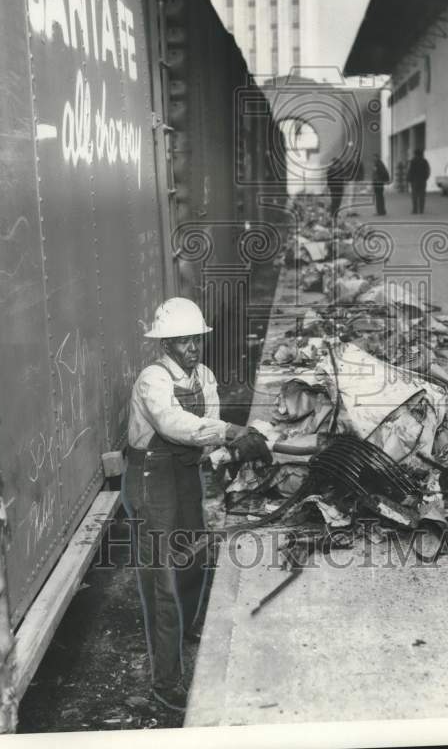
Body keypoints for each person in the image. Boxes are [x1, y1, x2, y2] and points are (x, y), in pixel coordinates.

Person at [122, 297, 263, 711]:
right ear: (166, 344)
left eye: (195, 339)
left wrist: (231, 453)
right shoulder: (153, 379)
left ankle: (184, 629)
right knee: (160, 579)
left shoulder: (203, 375)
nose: (191, 347)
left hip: (184, 474)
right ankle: (166, 683)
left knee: (194, 557)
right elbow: (173, 424)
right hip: (150, 477)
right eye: (182, 341)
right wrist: (232, 432)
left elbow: (207, 435)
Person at [407, 148, 431, 214]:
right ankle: (421, 210)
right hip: (422, 181)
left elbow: (410, 171)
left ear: (415, 154)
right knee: (422, 196)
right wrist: (425, 178)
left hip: (414, 181)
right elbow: (428, 170)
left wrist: (409, 179)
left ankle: (415, 210)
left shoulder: (412, 161)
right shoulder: (425, 161)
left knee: (414, 196)